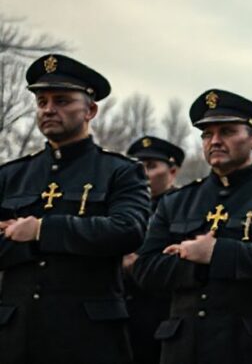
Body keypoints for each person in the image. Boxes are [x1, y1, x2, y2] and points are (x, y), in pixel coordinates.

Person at [133, 89, 252, 364]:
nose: (214, 141)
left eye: (227, 131)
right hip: (185, 347)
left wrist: (218, 253)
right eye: (207, 134)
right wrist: (194, 260)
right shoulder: (177, 201)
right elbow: (145, 268)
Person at [0, 54, 150, 363]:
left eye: (62, 100)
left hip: (88, 336)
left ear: (90, 110)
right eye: (42, 102)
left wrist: (41, 231)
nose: (49, 109)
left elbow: (127, 230)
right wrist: (32, 242)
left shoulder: (118, 171)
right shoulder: (11, 175)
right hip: (17, 333)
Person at [125, 135, 185, 364]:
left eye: (151, 167)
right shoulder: (124, 207)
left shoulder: (183, 208)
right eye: (138, 167)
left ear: (172, 172)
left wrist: (139, 264)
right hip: (124, 312)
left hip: (163, 312)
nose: (143, 174)